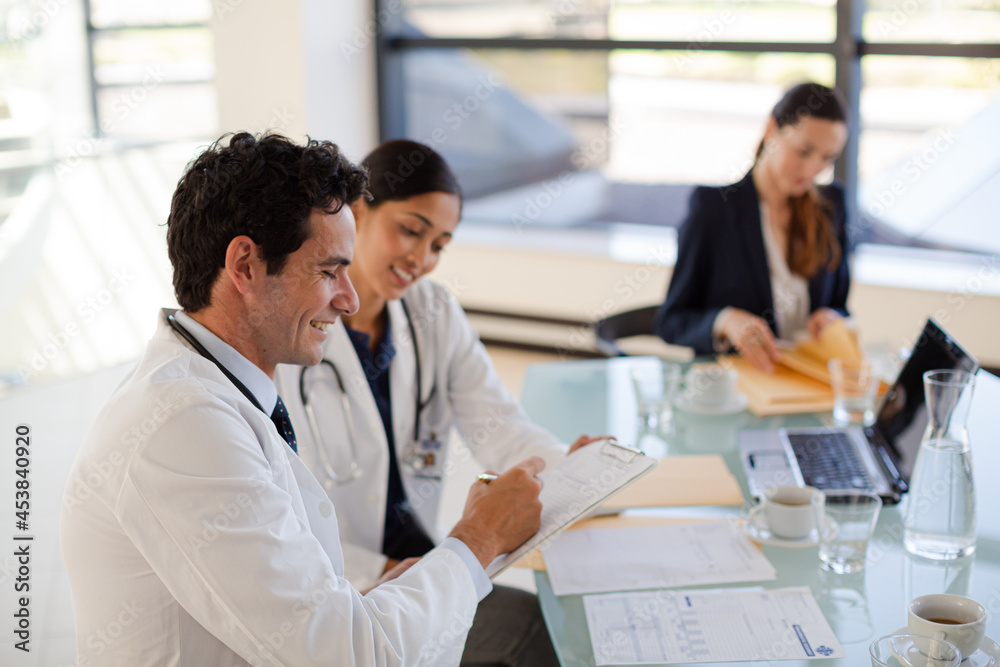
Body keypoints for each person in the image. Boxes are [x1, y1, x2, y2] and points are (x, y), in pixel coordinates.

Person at [59, 132, 549, 666]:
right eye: (328, 270)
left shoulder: (230, 390)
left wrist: (403, 584)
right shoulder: (183, 427)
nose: (350, 298)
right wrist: (477, 537)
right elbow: (347, 655)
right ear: (245, 265)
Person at [275, 139, 598, 667]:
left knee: (553, 623)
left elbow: (500, 425)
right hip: (340, 588)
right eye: (410, 230)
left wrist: (575, 468)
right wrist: (380, 573)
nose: (421, 260)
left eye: (439, 245)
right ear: (358, 211)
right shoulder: (295, 333)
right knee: (533, 633)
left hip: (422, 564)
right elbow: (284, 515)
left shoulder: (433, 312)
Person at [654, 82, 851, 372]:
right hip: (736, 393)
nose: (811, 170)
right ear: (772, 129)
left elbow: (840, 304)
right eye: (803, 151)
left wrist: (832, 318)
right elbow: (670, 323)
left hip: (806, 383)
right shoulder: (713, 209)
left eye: (827, 158)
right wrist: (724, 321)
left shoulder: (831, 206)